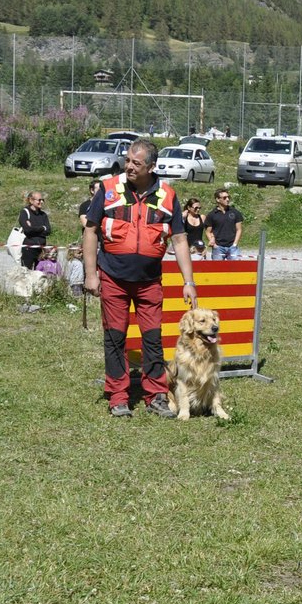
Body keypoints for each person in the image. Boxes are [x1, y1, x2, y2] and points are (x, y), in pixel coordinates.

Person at [82, 140, 197, 418]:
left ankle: (156, 394)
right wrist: (90, 274)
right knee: (114, 337)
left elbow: (180, 239)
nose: (129, 166)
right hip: (112, 278)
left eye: (136, 163)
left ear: (151, 167)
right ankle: (118, 396)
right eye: (128, 160)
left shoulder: (168, 195)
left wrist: (188, 281)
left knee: (152, 338)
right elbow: (91, 231)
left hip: (149, 281)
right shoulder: (109, 189)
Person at [205, 188, 246, 260]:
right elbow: (208, 231)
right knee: (217, 270)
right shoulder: (212, 215)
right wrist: (214, 244)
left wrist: (235, 244)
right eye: (224, 198)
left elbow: (239, 229)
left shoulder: (235, 212)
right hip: (218, 247)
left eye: (228, 197)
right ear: (217, 199)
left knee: (236, 269)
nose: (227, 199)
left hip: (232, 246)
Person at [18, 190, 51, 270]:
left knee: (40, 273)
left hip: (41, 249)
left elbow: (48, 231)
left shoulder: (43, 215)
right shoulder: (24, 213)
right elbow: (28, 230)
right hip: (28, 249)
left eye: (43, 200)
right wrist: (42, 228)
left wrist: (34, 228)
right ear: (31, 200)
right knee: (26, 272)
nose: (42, 202)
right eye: (39, 200)